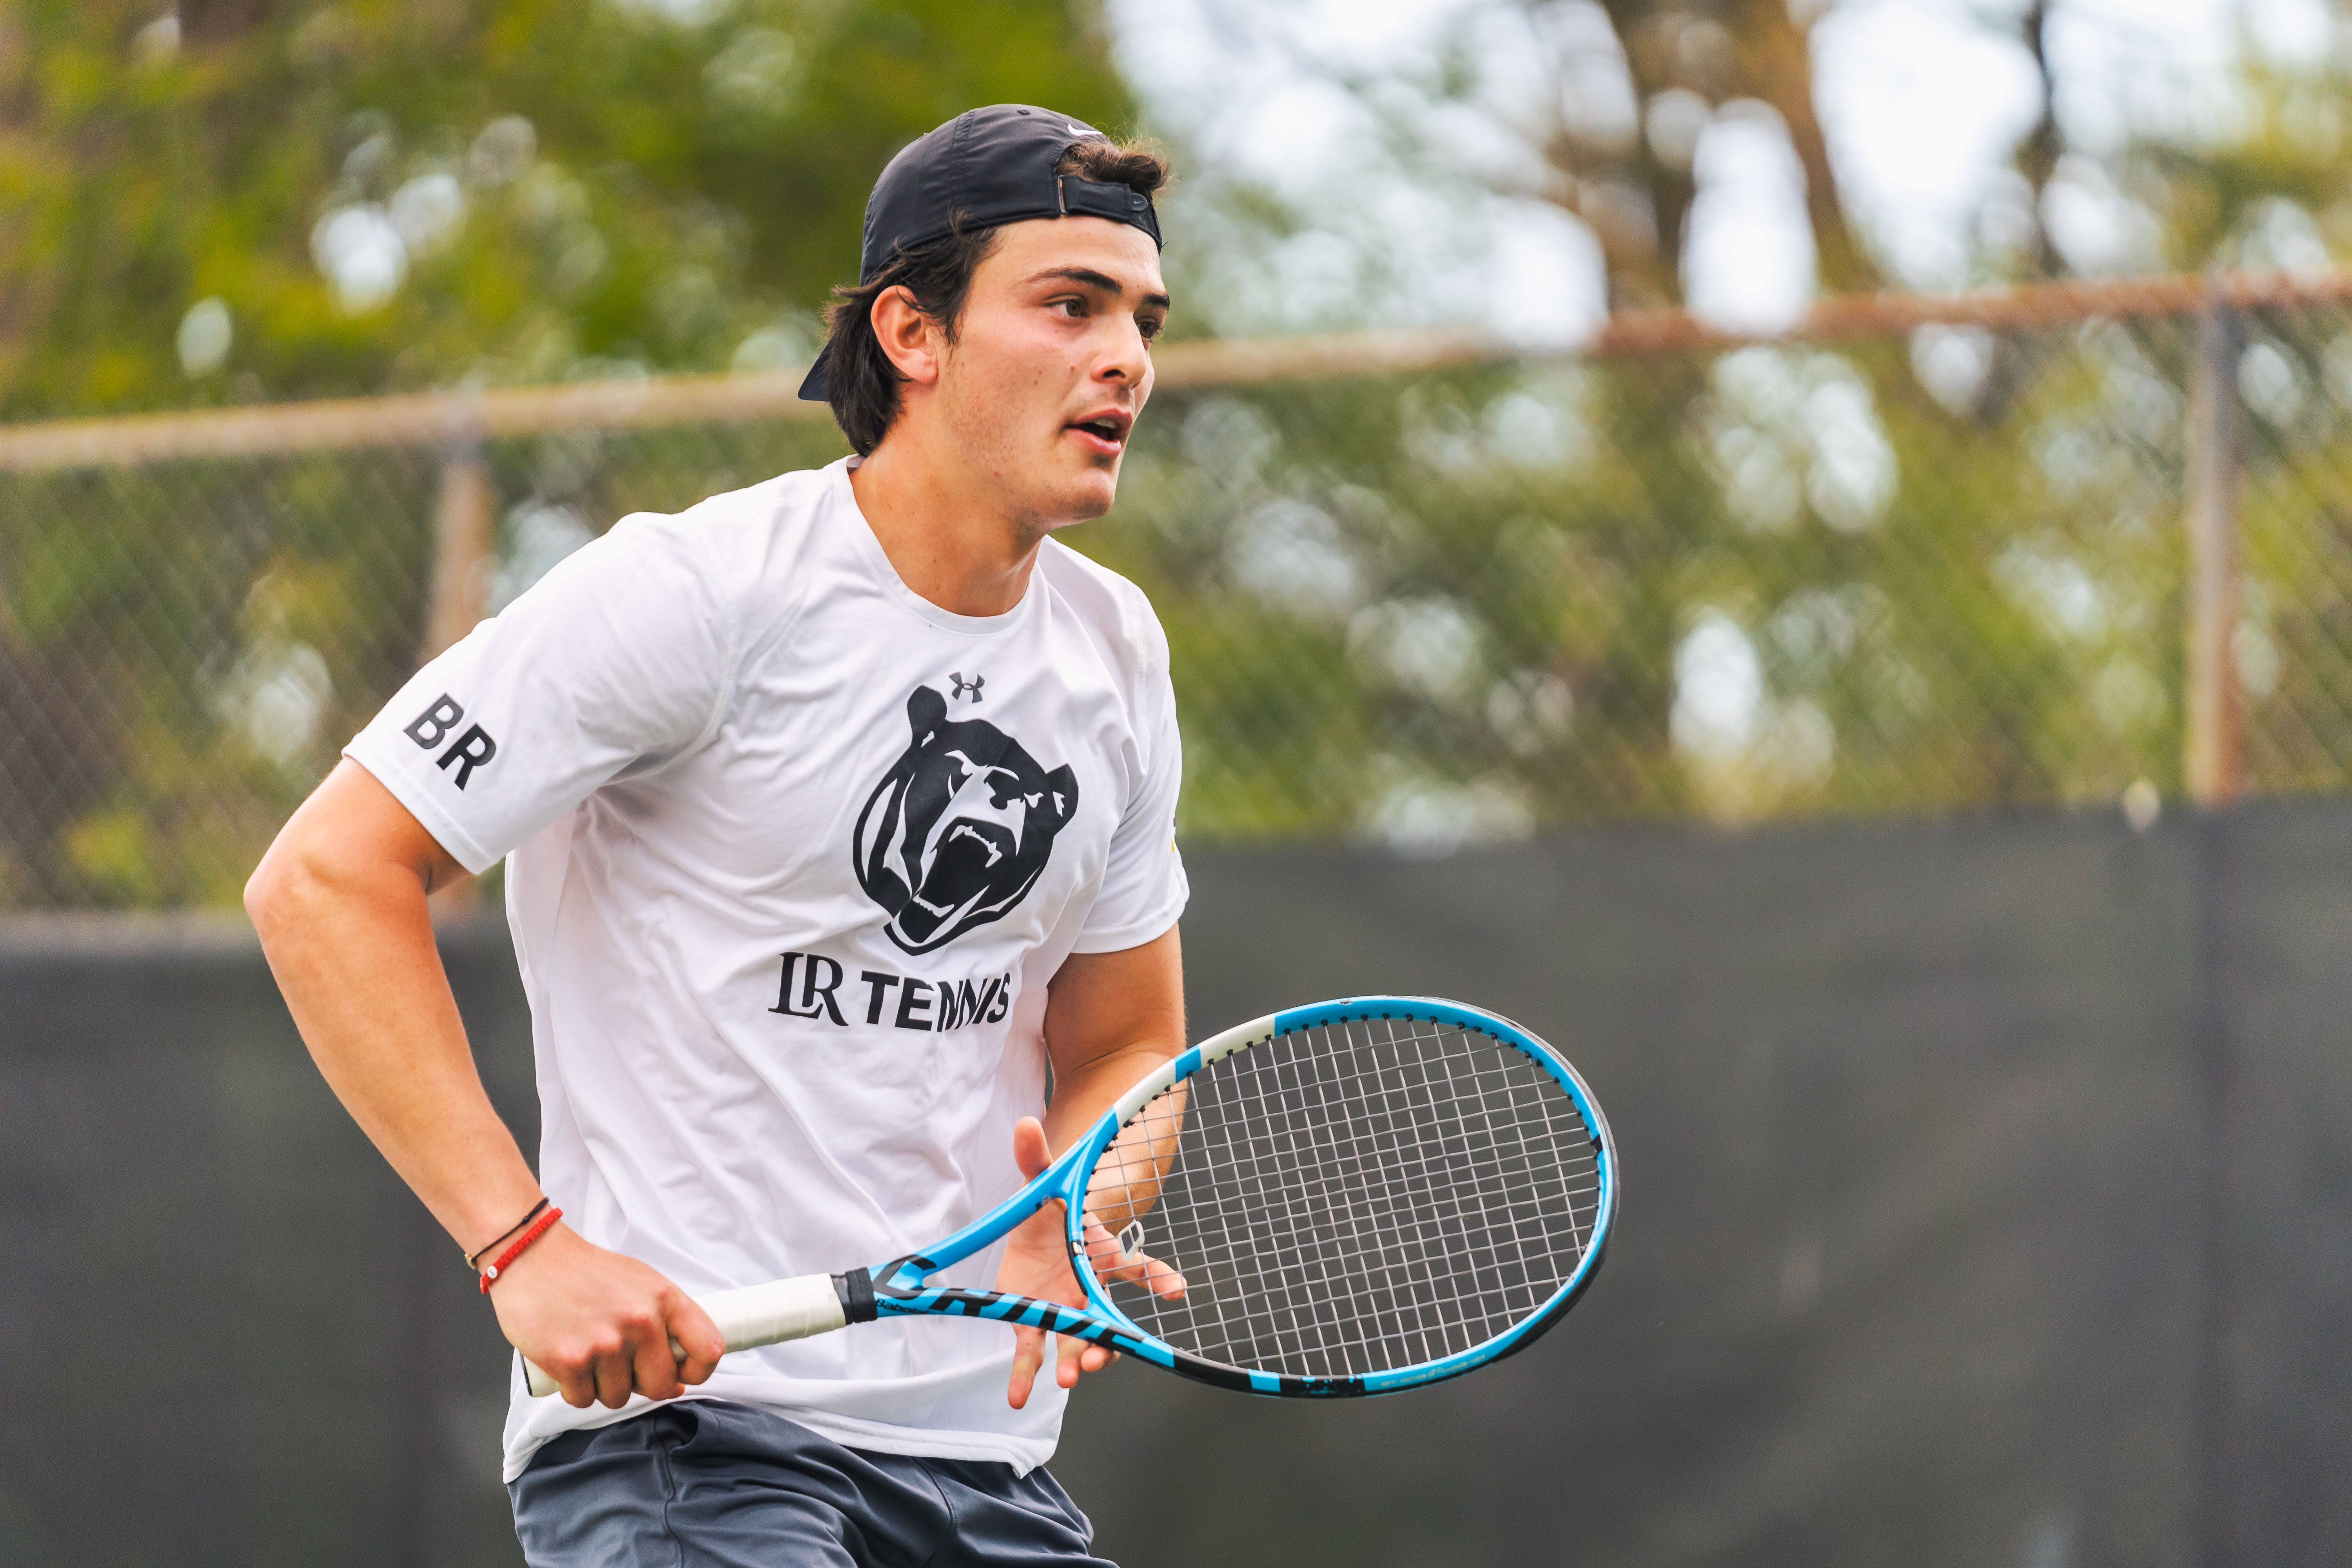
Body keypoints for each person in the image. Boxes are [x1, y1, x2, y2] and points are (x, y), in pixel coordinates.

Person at [245, 104, 1185, 1566]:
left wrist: (1071, 1204)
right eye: (1069, 306)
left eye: (1141, 317)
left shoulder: (1115, 654)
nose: (1125, 357)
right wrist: (523, 1248)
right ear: (913, 335)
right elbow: (324, 878)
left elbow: (1126, 1043)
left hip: (985, 1462)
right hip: (694, 1444)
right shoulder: (693, 592)